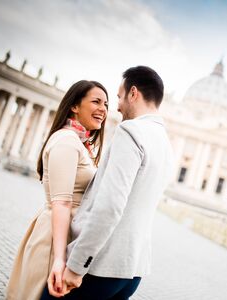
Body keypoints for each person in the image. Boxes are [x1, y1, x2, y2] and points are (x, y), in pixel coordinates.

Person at [41, 66, 174, 299]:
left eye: (120, 97)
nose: (118, 106)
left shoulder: (131, 131)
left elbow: (110, 207)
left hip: (99, 268)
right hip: (133, 271)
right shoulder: (164, 141)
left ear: (133, 93)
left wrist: (76, 266)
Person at [6, 80, 109, 300]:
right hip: (54, 239)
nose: (103, 109)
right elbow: (61, 203)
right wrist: (60, 259)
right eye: (96, 101)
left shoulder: (77, 142)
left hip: (63, 234)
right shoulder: (66, 141)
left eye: (106, 104)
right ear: (74, 106)